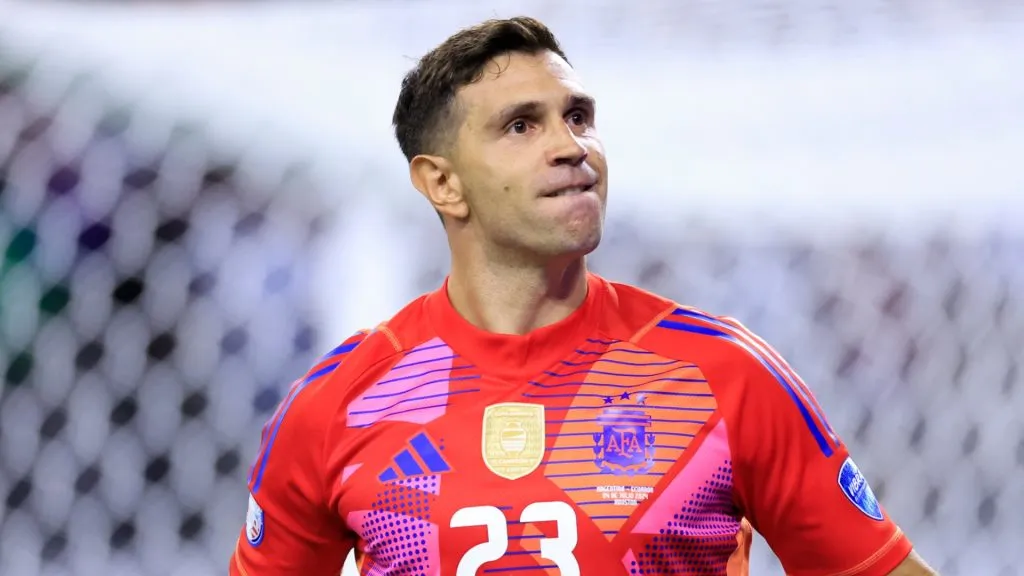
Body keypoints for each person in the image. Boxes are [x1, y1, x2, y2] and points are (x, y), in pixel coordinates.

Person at [230, 16, 938, 576]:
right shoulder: (338, 406)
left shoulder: (723, 376)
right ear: (442, 183)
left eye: (579, 116)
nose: (572, 146)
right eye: (520, 126)